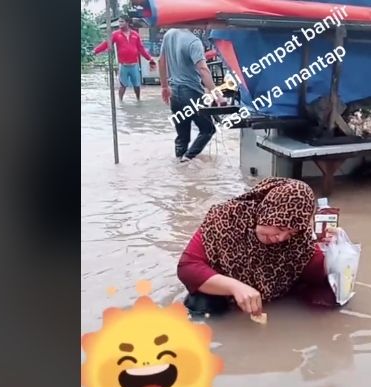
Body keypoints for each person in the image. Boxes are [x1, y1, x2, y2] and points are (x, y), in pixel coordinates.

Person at [177, 177, 337, 316]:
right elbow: (188, 267)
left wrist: (333, 249)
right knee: (202, 304)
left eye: (290, 233)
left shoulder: (299, 241)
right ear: (267, 212)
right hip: (224, 294)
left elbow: (316, 272)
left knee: (328, 297)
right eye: (280, 227)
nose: (281, 238)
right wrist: (235, 287)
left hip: (269, 302)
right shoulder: (225, 218)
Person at [159, 28, 223, 162]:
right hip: (191, 92)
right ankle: (187, 160)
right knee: (208, 129)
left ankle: (179, 164)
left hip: (174, 92)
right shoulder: (194, 42)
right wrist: (217, 94)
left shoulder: (169, 34)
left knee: (182, 136)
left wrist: (164, 86)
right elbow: (203, 69)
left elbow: (161, 61)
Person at [93, 15, 156, 101]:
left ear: (127, 23)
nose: (120, 23)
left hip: (134, 65)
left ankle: (138, 100)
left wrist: (150, 58)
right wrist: (95, 51)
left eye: (122, 21)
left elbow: (141, 49)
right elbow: (106, 44)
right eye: (119, 22)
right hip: (123, 65)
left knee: (137, 85)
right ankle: (120, 102)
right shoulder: (115, 34)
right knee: (123, 85)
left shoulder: (135, 35)